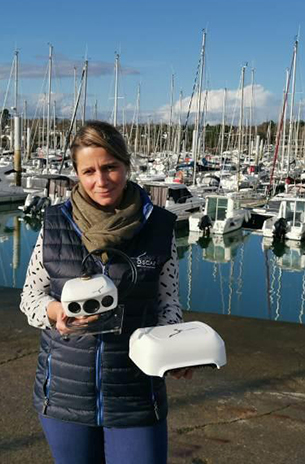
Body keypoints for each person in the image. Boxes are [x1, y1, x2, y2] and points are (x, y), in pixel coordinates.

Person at [20, 121, 191, 464]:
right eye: (89, 171)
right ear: (77, 175)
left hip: (136, 392)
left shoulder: (159, 226)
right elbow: (31, 298)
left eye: (110, 167)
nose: (101, 180)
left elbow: (167, 303)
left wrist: (174, 351)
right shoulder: (55, 224)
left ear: (126, 165)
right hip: (66, 393)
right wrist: (56, 314)